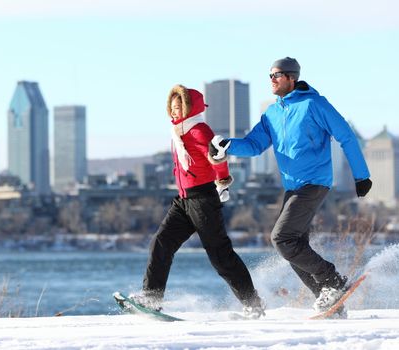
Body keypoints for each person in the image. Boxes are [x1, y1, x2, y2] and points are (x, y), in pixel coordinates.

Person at [209, 57, 372, 316]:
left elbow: (346, 136)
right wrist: (228, 144)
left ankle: (332, 282)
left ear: (291, 77)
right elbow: (254, 145)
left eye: (276, 75)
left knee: (282, 238)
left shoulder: (314, 104)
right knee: (293, 246)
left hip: (315, 182)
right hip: (293, 187)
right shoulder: (272, 114)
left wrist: (361, 176)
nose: (271, 80)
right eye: (270, 75)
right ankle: (327, 299)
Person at [131, 84, 265, 318]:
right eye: (171, 107)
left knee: (220, 255)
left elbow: (217, 157)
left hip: (203, 199)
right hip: (184, 200)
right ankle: (151, 298)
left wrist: (223, 180)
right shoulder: (179, 132)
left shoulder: (199, 131)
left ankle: (252, 303)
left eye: (178, 106)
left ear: (190, 108)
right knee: (161, 243)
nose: (174, 112)